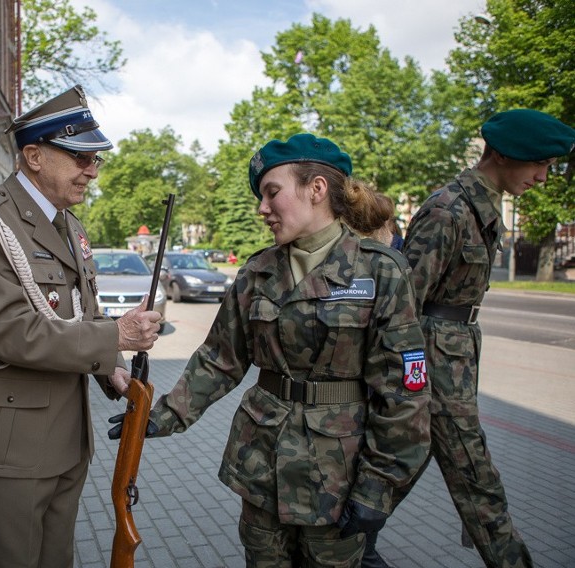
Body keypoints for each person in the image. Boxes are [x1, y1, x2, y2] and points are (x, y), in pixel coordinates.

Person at [112, 133, 431, 567]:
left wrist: (380, 486)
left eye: (272, 192)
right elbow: (221, 359)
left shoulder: (379, 271)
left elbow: (404, 395)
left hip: (338, 473)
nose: (262, 208)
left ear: (316, 188)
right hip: (261, 464)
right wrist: (160, 414)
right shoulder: (258, 271)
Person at [0, 85, 162, 568]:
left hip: (67, 439)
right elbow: (7, 331)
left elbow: (82, 317)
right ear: (34, 155)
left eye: (96, 160)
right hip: (9, 444)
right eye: (80, 157)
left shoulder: (71, 227)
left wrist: (114, 368)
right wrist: (115, 337)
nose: (92, 170)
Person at [369, 108, 575, 568]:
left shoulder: (481, 203)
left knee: (403, 463)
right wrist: (400, 383)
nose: (543, 177)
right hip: (432, 365)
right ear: (502, 155)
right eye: (538, 163)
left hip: (453, 356)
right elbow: (402, 305)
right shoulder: (449, 209)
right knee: (476, 478)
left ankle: (342, 543)